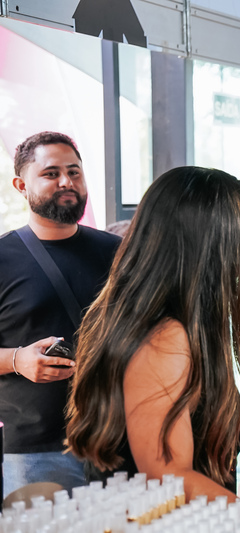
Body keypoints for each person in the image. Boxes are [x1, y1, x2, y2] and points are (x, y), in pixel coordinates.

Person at [66, 167, 240, 512]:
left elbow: (193, 431)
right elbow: (170, 475)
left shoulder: (145, 318)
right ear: (214, 245)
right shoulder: (165, 337)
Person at [0, 132, 120, 498]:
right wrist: (18, 359)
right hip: (37, 449)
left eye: (74, 172)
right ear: (22, 186)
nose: (66, 181)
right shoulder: (4, 258)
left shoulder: (118, 252)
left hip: (117, 438)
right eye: (51, 173)